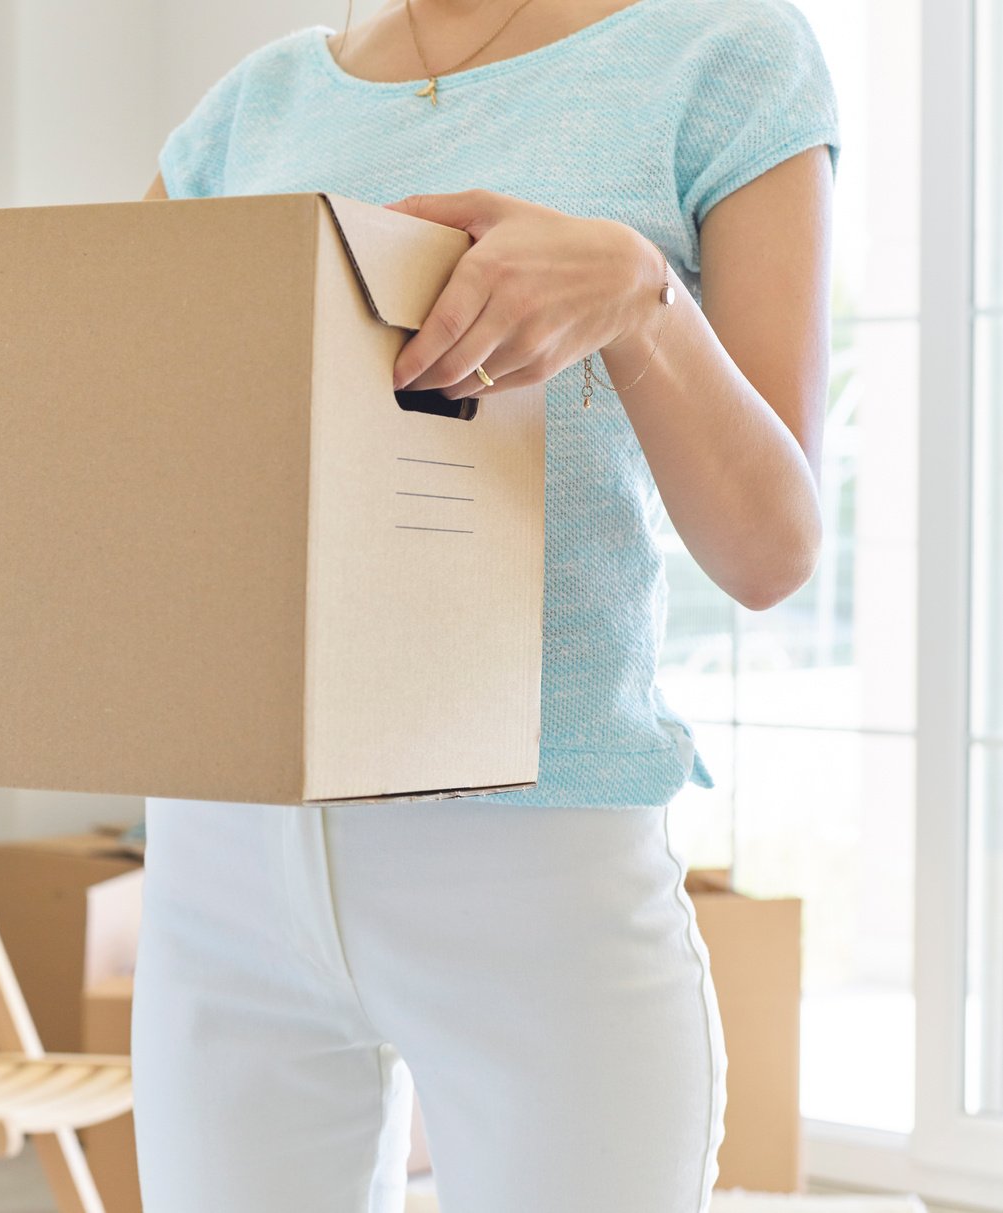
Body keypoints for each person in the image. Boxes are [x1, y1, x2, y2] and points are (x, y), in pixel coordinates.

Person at [127, 0, 841, 1210]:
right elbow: (102, 440)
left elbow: (772, 552)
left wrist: (640, 298)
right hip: (224, 846)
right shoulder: (249, 111)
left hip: (535, 855)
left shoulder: (724, 56)